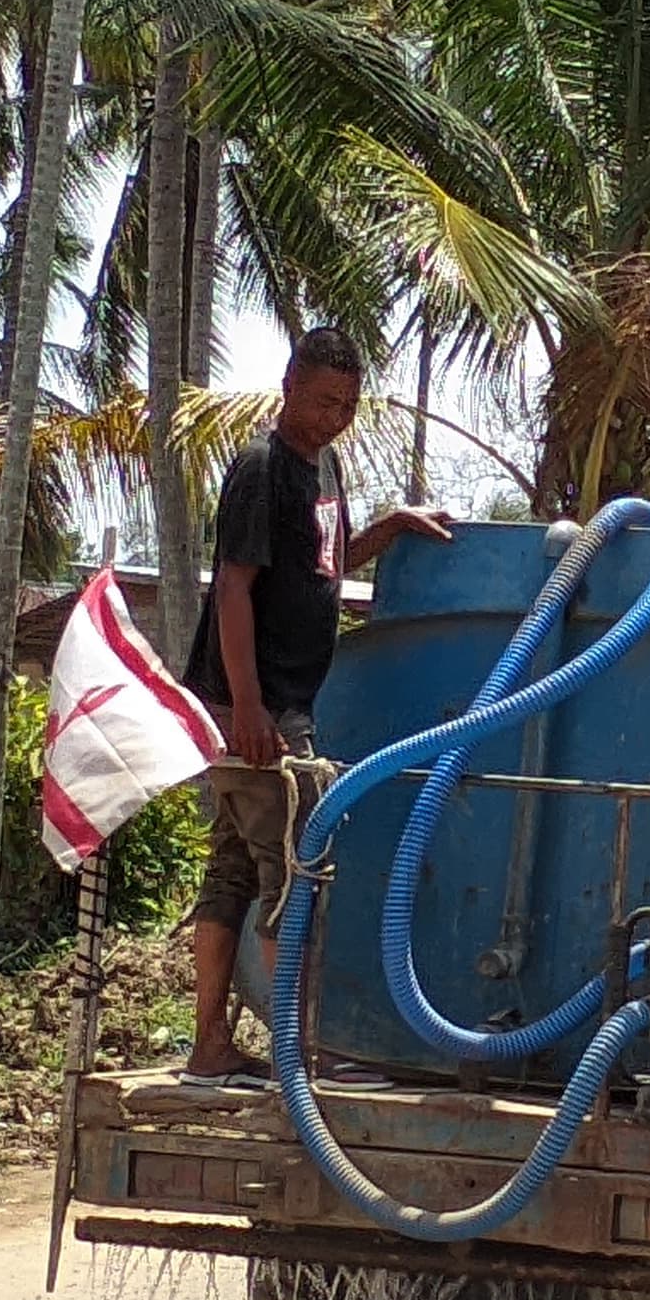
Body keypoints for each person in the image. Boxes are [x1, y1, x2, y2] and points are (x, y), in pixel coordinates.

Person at [179, 327, 453, 1089]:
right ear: (289, 384)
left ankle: (210, 1047)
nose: (336, 415)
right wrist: (248, 706)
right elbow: (233, 587)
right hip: (259, 708)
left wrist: (391, 525)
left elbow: (323, 565)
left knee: (234, 869)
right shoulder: (263, 468)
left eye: (349, 404)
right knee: (294, 872)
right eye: (325, 399)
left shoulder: (322, 467)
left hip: (280, 700)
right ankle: (300, 1054)